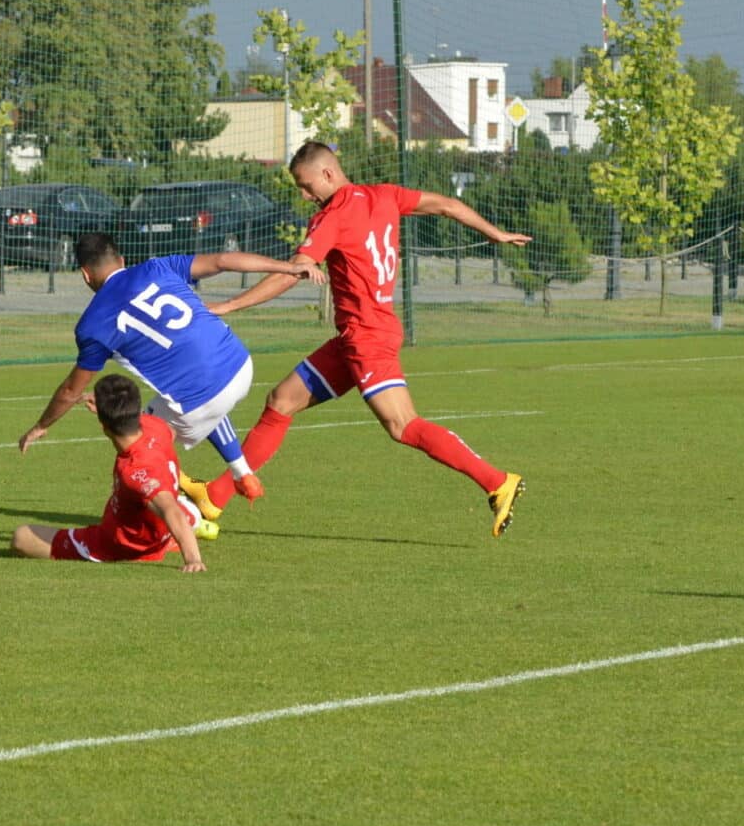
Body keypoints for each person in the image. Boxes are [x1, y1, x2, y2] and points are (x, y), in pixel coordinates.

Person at [201, 141, 530, 537]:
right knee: (281, 401)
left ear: (327, 174)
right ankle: (215, 496)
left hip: (367, 338)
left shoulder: (332, 216)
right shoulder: (384, 195)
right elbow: (446, 205)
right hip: (360, 334)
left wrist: (231, 305)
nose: (304, 196)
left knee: (403, 425)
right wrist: (494, 233)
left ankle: (497, 482)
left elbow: (294, 271)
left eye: (306, 186)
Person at [19, 233, 321, 518]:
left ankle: (190, 517)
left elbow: (70, 391)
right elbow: (223, 260)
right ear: (122, 260)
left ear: (85, 274)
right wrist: (289, 267)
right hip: (240, 365)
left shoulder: (92, 324)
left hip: (199, 399)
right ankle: (241, 472)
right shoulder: (158, 267)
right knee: (191, 394)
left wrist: (40, 426)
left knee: (133, 440)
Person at [11, 374, 209, 572]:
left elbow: (169, 510)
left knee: (21, 538)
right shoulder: (155, 425)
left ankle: (171, 538)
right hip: (159, 516)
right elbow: (168, 434)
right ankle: (185, 524)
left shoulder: (137, 471)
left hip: (125, 544)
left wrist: (193, 559)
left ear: (104, 427)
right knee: (175, 508)